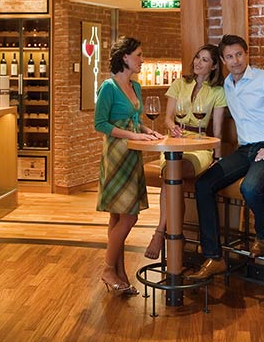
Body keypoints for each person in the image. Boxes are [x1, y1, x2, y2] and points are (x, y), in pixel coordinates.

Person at [187, 34, 264, 280]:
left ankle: (263, 235)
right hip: (245, 150)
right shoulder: (226, 86)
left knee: (250, 188)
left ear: (247, 54)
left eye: (239, 54)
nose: (236, 61)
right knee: (203, 184)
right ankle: (214, 257)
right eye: (229, 57)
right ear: (223, 60)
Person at [144, 44, 227, 259]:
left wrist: (217, 157)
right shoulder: (179, 83)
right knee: (171, 173)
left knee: (173, 173)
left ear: (214, 66)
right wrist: (172, 127)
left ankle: (161, 232)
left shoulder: (218, 91)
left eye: (205, 60)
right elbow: (167, 118)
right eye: (198, 57)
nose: (198, 62)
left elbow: (217, 130)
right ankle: (175, 235)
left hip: (200, 145)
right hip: (175, 142)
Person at [94, 36, 162, 295]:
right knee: (129, 216)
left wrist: (147, 131)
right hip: (115, 156)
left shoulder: (136, 86)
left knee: (117, 216)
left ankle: (120, 275)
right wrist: (134, 135)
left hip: (132, 155)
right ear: (124, 57)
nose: (142, 60)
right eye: (139, 55)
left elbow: (134, 120)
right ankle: (108, 269)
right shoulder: (108, 87)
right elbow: (101, 124)